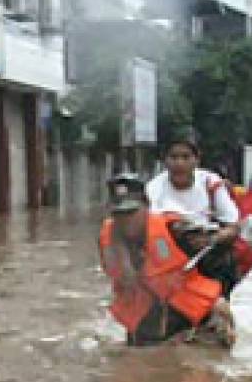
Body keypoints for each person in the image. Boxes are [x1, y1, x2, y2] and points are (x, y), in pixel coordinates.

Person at [100, 173, 233, 347]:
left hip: (193, 314)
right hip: (145, 322)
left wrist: (220, 302)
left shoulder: (176, 229)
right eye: (119, 214)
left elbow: (221, 255)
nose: (125, 220)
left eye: (131, 212)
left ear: (147, 206)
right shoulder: (106, 240)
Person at [144, 132, 244, 291]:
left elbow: (234, 227)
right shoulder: (153, 188)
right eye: (173, 157)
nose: (179, 163)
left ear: (196, 160)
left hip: (212, 260)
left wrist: (211, 240)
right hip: (171, 262)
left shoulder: (211, 182)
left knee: (216, 309)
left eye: (186, 157)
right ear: (165, 161)